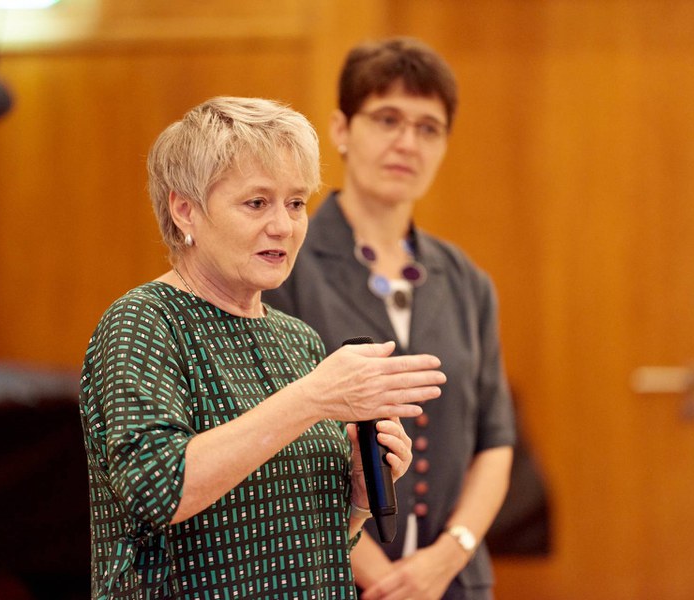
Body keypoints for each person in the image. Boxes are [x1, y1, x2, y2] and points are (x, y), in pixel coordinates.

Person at [78, 96, 448, 599]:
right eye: (257, 203)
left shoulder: (298, 340)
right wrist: (311, 398)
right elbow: (158, 489)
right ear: (185, 210)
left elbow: (307, 545)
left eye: (296, 203)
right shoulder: (144, 322)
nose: (284, 225)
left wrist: (359, 498)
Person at [262, 37, 516, 599]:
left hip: (454, 581)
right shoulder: (284, 268)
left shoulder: (467, 280)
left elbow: (495, 443)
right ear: (342, 130)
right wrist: (382, 578)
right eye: (387, 119)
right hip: (330, 576)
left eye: (428, 128)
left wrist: (448, 558)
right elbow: (273, 443)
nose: (408, 142)